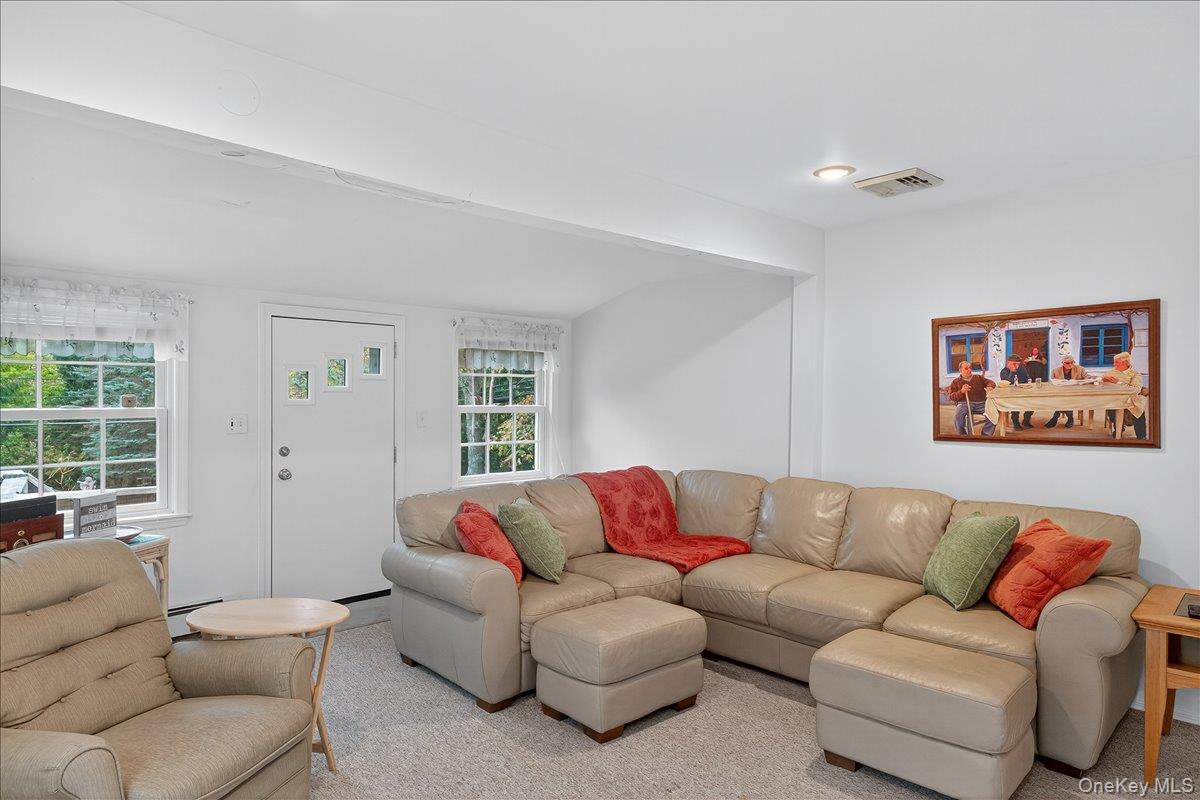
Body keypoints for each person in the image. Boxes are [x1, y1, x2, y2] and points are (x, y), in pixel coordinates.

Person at [1102, 352, 1146, 439]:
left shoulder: (1135, 374)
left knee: (1138, 409)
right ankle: (1119, 429)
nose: (1114, 364)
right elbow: (1101, 383)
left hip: (1131, 398)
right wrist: (1103, 379)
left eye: (1117, 362)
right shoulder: (1111, 372)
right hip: (1114, 398)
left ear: (1125, 363)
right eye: (1114, 362)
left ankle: (1141, 436)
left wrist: (1117, 383)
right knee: (1112, 409)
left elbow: (1136, 389)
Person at [948, 361, 995, 435]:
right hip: (964, 404)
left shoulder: (978, 377)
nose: (969, 370)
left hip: (981, 403)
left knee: (993, 414)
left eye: (970, 368)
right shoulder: (956, 382)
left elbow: (991, 382)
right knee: (958, 417)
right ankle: (963, 435)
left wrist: (989, 386)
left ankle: (986, 434)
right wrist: (961, 391)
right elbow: (951, 396)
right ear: (960, 370)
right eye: (966, 368)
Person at [1045, 354, 1091, 428]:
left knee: (1066, 399)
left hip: (1076, 394)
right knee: (1062, 399)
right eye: (1067, 363)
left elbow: (1088, 377)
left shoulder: (1080, 369)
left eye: (1072, 362)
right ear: (1062, 363)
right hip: (1061, 393)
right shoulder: (1055, 371)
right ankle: (1070, 418)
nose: (1070, 364)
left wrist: (1096, 378)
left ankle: (1055, 417)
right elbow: (1052, 383)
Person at [1000, 354, 1033, 429]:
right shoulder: (1004, 372)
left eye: (1018, 364)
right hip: (1011, 395)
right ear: (1008, 363)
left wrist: (1028, 383)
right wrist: (1012, 371)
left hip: (1023, 392)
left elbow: (1028, 378)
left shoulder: (1022, 369)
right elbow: (1008, 383)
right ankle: (1015, 422)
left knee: (1033, 403)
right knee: (1015, 405)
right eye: (1014, 364)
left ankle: (1026, 420)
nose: (1017, 366)